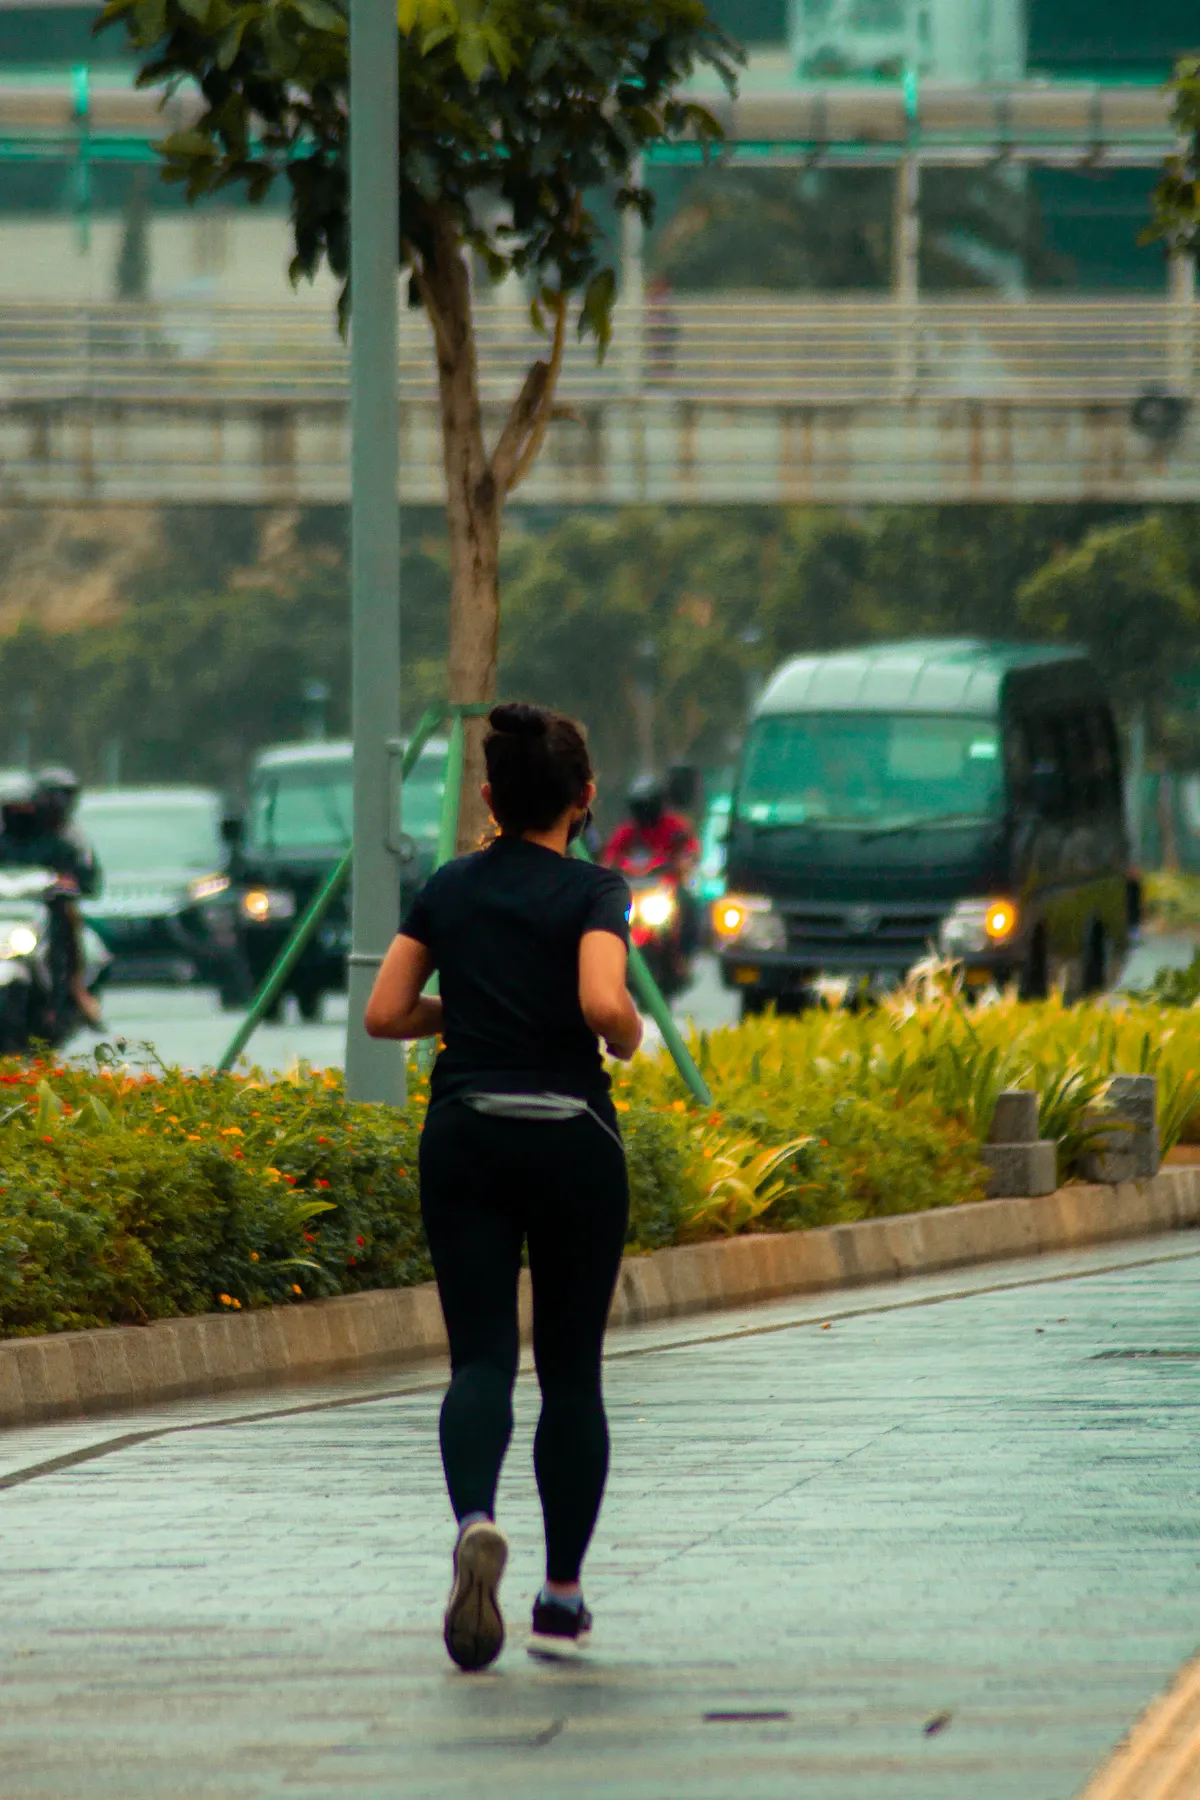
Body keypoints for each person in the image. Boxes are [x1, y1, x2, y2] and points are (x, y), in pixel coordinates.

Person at [364, 703, 643, 1672]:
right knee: (572, 1373)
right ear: (584, 798)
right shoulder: (596, 890)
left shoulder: (448, 886)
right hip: (571, 1140)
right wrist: (627, 1034)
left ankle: (476, 1519)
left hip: (468, 1137)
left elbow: (384, 1012)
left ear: (487, 797)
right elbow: (604, 1001)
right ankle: (560, 1599)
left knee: (480, 1360)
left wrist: (469, 1006)